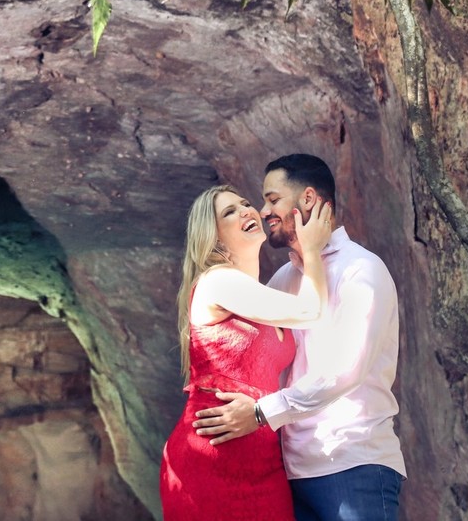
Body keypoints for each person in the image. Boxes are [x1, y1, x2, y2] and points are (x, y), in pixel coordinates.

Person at [192, 154, 407, 521]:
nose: (263, 211)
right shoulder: (284, 282)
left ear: (307, 200)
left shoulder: (361, 270)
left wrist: (261, 413)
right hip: (288, 473)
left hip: (352, 463)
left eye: (272, 200)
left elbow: (345, 370)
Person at [160, 184, 334, 521]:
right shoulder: (216, 281)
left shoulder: (261, 295)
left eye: (243, 204)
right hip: (212, 459)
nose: (246, 211)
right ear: (213, 238)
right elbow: (311, 310)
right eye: (229, 212)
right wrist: (312, 249)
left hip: (263, 460)